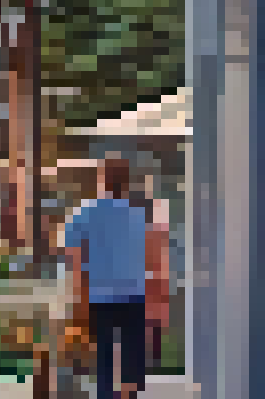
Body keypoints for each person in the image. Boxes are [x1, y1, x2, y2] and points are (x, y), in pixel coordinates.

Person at [62, 155, 165, 399]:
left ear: (101, 181)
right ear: (127, 182)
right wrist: (157, 302)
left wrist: (78, 301)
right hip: (134, 296)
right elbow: (152, 261)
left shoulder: (83, 214)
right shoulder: (140, 217)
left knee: (104, 362)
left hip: (99, 297)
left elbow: (75, 264)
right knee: (131, 365)